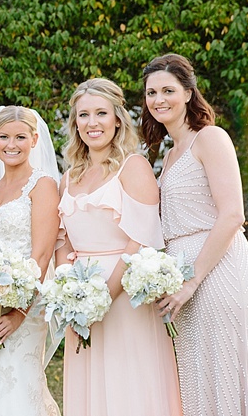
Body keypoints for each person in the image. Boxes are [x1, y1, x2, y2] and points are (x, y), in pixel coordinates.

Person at [141, 53, 248, 416]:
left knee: (227, 376)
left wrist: (190, 281)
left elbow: (233, 214)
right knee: (199, 378)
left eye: (168, 90)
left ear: (188, 93)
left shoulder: (210, 138)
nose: (159, 99)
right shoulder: (169, 156)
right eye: (151, 92)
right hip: (184, 279)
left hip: (219, 271)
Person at [54, 78, 182, 416]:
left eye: (100, 114)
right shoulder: (68, 177)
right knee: (90, 389)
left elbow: (141, 240)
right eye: (83, 115)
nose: (92, 123)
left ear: (117, 119)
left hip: (125, 299)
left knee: (128, 388)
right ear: (75, 122)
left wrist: (103, 298)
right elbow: (62, 239)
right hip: (81, 301)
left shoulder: (133, 166)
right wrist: (72, 291)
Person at [0, 105, 61, 416]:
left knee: (17, 387)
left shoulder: (42, 184)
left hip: (25, 309)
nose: (12, 144)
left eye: (20, 137)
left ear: (34, 140)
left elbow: (42, 254)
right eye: (4, 137)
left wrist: (19, 312)